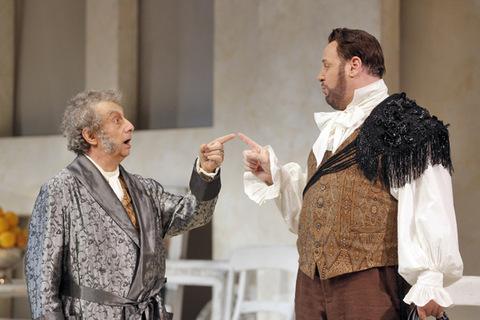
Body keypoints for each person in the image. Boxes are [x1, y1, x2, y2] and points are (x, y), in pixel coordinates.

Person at [240, 28, 463, 320]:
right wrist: (276, 178)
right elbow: (317, 207)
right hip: (309, 282)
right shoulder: (332, 132)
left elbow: (428, 202)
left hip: (367, 285)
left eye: (327, 65)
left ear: (354, 65)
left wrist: (430, 278)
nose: (320, 75)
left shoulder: (405, 124)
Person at [24, 88, 235, 320]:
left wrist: (206, 172)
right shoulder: (60, 190)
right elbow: (41, 282)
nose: (130, 125)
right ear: (91, 136)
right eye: (117, 120)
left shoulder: (144, 189)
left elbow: (193, 215)